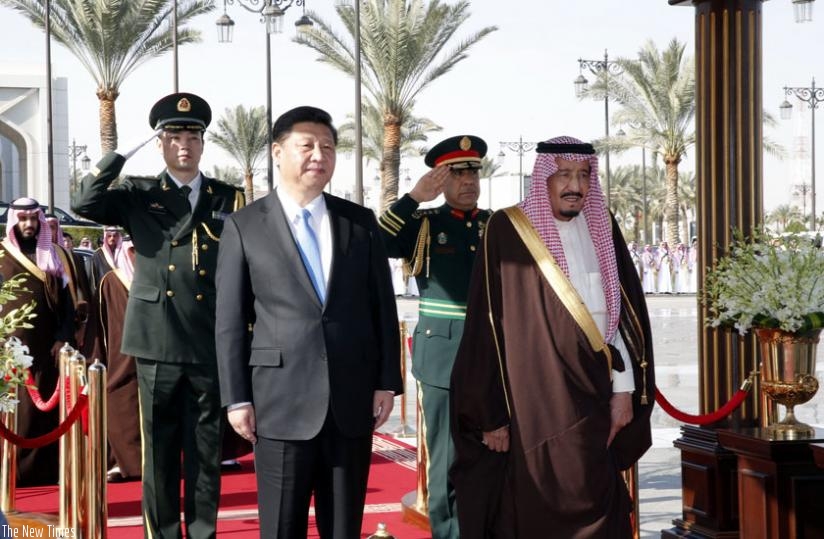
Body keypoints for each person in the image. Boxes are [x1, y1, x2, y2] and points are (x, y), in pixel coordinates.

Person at [449, 137, 655, 538]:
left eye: (582, 175)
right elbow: (486, 327)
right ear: (543, 178)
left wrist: (624, 391)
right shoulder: (508, 230)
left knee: (596, 489)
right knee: (536, 501)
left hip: (596, 391)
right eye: (563, 175)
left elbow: (621, 318)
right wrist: (489, 415)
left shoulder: (602, 225)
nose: (574, 185)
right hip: (534, 402)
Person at [215, 105, 403, 538]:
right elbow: (229, 321)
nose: (319, 155)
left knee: (343, 526)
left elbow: (383, 307)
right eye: (307, 145)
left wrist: (385, 381)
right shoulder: (245, 226)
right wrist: (237, 398)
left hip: (350, 399)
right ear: (278, 153)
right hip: (278, 402)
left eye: (329, 146)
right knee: (282, 525)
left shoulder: (358, 222)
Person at [72, 92, 246, 538]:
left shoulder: (229, 197)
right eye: (172, 135)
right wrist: (119, 153)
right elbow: (83, 202)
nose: (183, 143)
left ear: (204, 144)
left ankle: (203, 532)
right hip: (156, 339)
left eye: (192, 135)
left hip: (208, 338)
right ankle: (163, 533)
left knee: (206, 451)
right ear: (160, 144)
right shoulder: (138, 193)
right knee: (162, 451)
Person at [378, 134, 491, 539]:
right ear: (441, 181)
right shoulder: (425, 225)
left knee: (492, 453)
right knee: (445, 459)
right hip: (442, 357)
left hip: (494, 357)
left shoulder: (495, 225)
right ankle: (449, 532)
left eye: (473, 172)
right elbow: (378, 240)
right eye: (458, 174)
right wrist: (413, 198)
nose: (468, 181)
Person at [0, 198, 76, 486]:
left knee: (43, 414)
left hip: (46, 350)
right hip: (9, 352)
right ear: (13, 222)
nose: (29, 225)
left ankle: (43, 472)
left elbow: (67, 304)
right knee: (14, 414)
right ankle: (13, 473)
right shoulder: (2, 255)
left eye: (34, 219)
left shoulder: (52, 256)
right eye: (23, 219)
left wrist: (63, 337)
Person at [88, 238, 142, 482]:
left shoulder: (156, 277)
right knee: (121, 407)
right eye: (132, 251)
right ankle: (122, 464)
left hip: (152, 359)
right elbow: (99, 324)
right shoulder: (109, 281)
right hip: (119, 359)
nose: (136, 256)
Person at [87, 226, 123, 295]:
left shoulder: (123, 253)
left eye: (115, 236)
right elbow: (94, 279)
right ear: (105, 237)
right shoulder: (98, 254)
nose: (112, 238)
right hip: (105, 292)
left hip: (122, 291)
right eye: (109, 236)